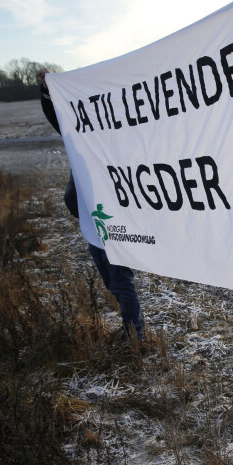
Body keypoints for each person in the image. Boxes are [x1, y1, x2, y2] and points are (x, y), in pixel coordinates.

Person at [37, 69, 145, 342]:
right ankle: (130, 328)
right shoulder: (83, 138)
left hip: (115, 220)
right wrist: (50, 92)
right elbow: (60, 120)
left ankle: (136, 335)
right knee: (112, 282)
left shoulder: (120, 142)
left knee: (121, 280)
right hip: (92, 221)